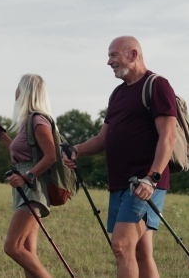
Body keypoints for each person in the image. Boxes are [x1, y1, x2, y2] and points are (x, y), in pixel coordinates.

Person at [63, 36, 178, 278]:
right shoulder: (117, 94)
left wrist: (151, 178)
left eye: (114, 55)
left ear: (133, 54)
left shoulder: (157, 85)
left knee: (122, 246)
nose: (108, 61)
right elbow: (103, 138)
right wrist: (77, 149)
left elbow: (168, 136)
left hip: (144, 184)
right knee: (141, 254)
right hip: (120, 184)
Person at [0, 73, 57, 278]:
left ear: (25, 91)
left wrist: (27, 177)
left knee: (13, 247)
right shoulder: (27, 121)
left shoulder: (38, 120)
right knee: (27, 251)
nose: (15, 91)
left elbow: (51, 156)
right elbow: (22, 157)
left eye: (18, 87)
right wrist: (2, 136)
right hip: (25, 189)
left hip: (33, 190)